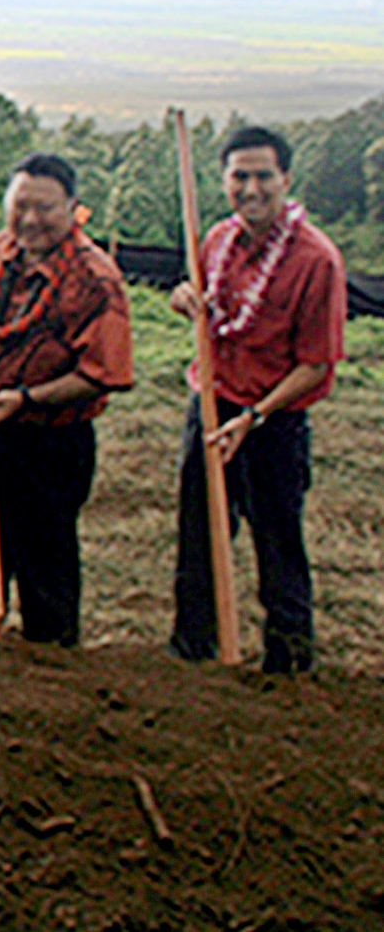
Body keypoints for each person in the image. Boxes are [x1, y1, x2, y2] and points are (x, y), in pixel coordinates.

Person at [167, 125, 345, 675]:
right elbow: (207, 307)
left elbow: (316, 364)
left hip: (274, 419)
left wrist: (254, 416)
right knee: (199, 533)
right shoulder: (216, 239)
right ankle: (192, 652)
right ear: (224, 180)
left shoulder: (318, 260)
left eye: (263, 175)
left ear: (285, 180)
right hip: (212, 403)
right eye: (239, 175)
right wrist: (183, 299)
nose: (251, 187)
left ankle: (288, 663)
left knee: (277, 538)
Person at [0, 153, 133, 647]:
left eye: (45, 208)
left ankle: (49, 670)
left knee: (45, 559)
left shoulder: (95, 277)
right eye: (20, 205)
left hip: (51, 439)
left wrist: (25, 400)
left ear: (72, 209)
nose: (30, 220)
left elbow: (102, 373)